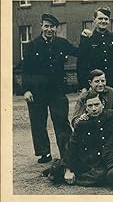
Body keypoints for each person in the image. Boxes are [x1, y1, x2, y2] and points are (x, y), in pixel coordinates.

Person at [22, 13, 78, 163]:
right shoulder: (32, 46)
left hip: (57, 90)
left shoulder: (62, 43)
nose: (49, 29)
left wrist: (86, 39)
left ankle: (66, 152)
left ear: (56, 28)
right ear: (41, 26)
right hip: (36, 91)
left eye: (52, 26)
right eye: (46, 26)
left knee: (61, 122)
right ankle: (44, 153)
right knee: (38, 123)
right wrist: (25, 90)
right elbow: (25, 69)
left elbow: (79, 52)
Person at [43, 92, 113, 186]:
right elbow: (71, 146)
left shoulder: (112, 115)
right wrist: (68, 170)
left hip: (102, 161)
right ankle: (62, 170)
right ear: (85, 107)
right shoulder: (82, 123)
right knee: (58, 170)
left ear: (103, 104)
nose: (94, 109)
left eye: (96, 104)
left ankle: (72, 177)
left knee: (100, 176)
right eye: (90, 106)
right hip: (85, 160)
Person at [77, 6, 113, 91]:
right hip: (94, 85)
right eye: (100, 18)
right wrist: (83, 87)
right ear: (94, 20)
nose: (103, 21)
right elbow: (81, 65)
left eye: (106, 19)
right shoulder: (87, 39)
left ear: (109, 20)